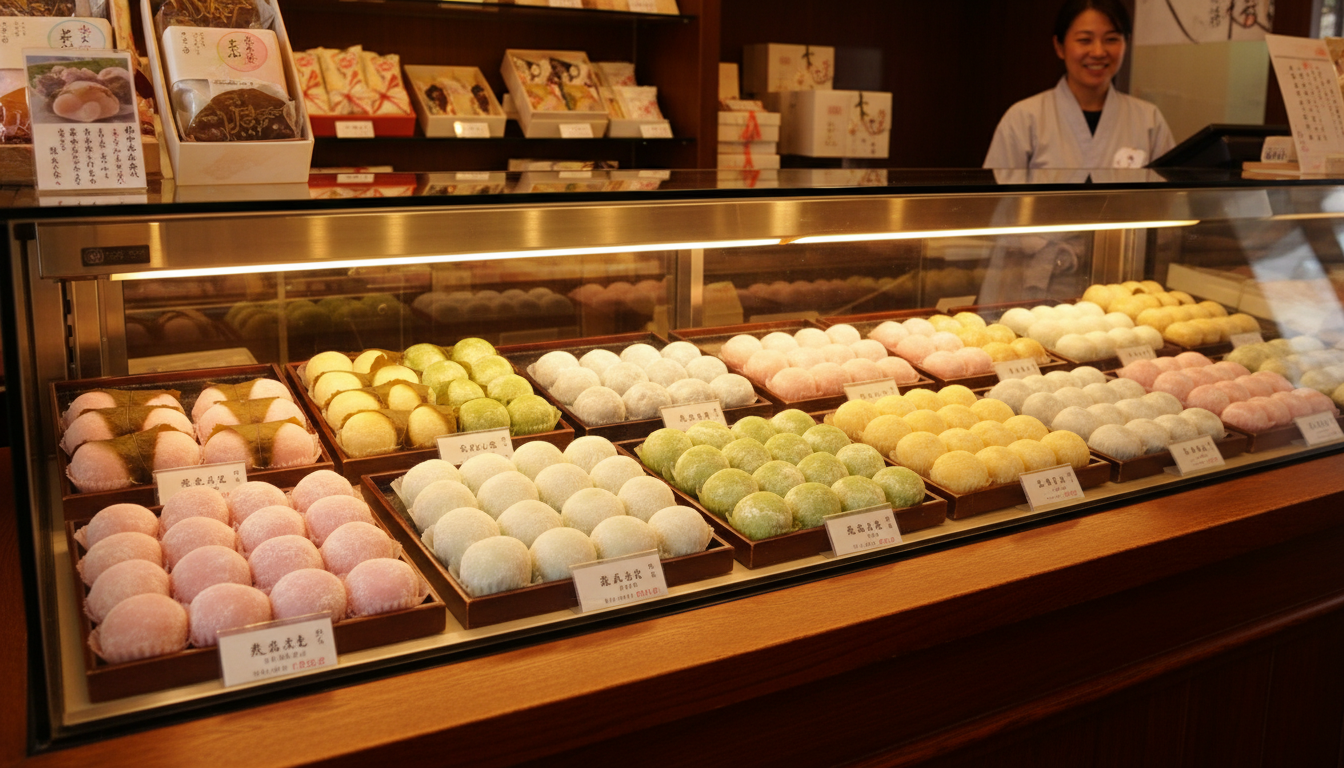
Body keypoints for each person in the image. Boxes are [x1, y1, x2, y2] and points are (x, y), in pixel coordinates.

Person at [984, 0, 1175, 170]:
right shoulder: (1023, 119)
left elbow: (1168, 201)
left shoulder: (1150, 120)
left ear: (1126, 43)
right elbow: (997, 202)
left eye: (1111, 39)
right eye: (1085, 40)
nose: (1098, 52)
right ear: (1059, 46)